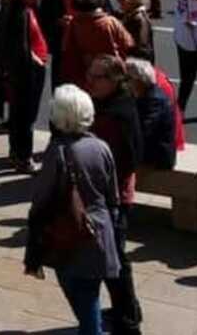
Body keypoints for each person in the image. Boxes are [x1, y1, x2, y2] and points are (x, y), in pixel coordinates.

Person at [26, 85, 121, 335]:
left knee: (80, 293)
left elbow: (42, 197)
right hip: (100, 230)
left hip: (70, 232)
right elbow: (113, 195)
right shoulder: (101, 147)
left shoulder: (57, 152)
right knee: (90, 291)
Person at [87, 55, 144, 335]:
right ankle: (128, 310)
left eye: (97, 77)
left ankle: (128, 322)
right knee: (115, 259)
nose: (91, 81)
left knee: (115, 261)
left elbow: (124, 160)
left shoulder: (115, 114)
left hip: (114, 197)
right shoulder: (112, 104)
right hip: (113, 193)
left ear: (113, 81)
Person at [0, 0, 50, 171]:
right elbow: (20, 47)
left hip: (21, 73)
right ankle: (24, 157)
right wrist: (35, 64)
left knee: (19, 116)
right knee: (26, 117)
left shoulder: (18, 8)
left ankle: (16, 153)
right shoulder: (20, 12)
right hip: (26, 74)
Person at [61, 0, 132, 93]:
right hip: (112, 74)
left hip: (86, 75)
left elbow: (68, 50)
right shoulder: (110, 22)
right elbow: (128, 44)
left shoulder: (74, 24)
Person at [126, 59, 180, 172]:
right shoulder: (144, 94)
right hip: (149, 153)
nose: (125, 83)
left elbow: (143, 131)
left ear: (138, 81)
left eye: (127, 79)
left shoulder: (154, 101)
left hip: (157, 160)